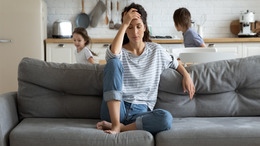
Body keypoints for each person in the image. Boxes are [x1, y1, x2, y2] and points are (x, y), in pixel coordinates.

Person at [96, 3, 195, 135]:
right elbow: (113, 54)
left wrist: (186, 75)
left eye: (138, 26)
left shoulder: (156, 51)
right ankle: (115, 124)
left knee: (166, 118)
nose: (135, 32)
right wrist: (124, 23)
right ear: (125, 29)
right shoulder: (119, 51)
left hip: (140, 112)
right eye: (130, 27)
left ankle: (121, 128)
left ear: (145, 27)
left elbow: (175, 63)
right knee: (113, 63)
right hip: (115, 108)